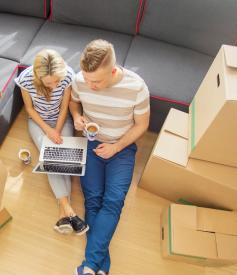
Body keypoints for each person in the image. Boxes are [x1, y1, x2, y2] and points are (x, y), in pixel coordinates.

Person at [70, 40, 150, 275]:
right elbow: (74, 103)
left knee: (113, 201)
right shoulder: (79, 80)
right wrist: (76, 117)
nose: (90, 85)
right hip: (92, 143)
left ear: (113, 71)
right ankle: (100, 268)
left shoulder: (136, 87)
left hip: (122, 148)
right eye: (87, 79)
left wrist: (116, 148)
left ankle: (89, 266)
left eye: (97, 81)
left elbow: (142, 125)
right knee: (93, 199)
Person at [15, 49, 89, 235]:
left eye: (58, 81)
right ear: (39, 78)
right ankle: (70, 211)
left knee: (62, 158)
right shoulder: (26, 79)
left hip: (60, 120)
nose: (55, 86)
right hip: (38, 123)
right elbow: (29, 110)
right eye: (50, 83)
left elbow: (65, 106)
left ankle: (63, 215)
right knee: (50, 157)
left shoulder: (67, 75)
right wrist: (48, 131)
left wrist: (56, 129)